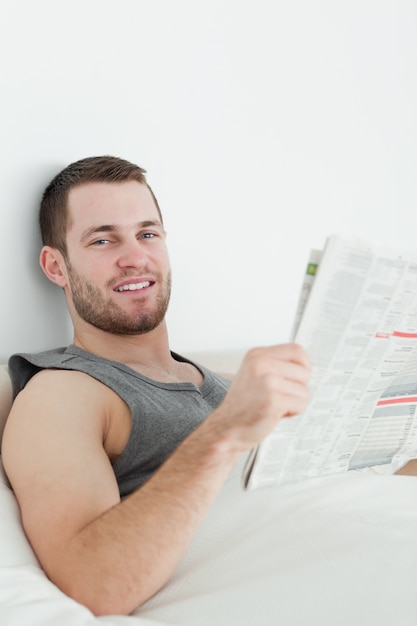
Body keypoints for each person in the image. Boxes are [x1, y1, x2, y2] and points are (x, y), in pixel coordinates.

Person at [1, 155, 312, 616]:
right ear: (56, 267)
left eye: (147, 234)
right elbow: (93, 583)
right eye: (103, 240)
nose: (135, 257)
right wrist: (224, 433)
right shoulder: (62, 395)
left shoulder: (230, 386)